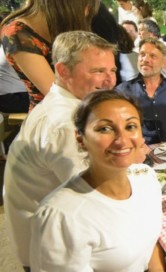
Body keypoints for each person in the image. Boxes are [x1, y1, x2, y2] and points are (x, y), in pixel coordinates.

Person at [3, 31, 117, 269]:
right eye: (98, 71)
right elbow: (99, 199)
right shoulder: (66, 123)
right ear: (64, 71)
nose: (110, 81)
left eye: (113, 71)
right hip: (55, 253)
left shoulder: (63, 104)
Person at [30, 90, 165, 271]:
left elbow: (151, 246)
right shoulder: (61, 217)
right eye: (104, 129)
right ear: (80, 138)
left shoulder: (146, 178)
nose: (121, 140)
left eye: (131, 126)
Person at [1, 0, 100, 111]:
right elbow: (58, 92)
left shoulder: (60, 29)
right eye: (86, 6)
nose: (86, 13)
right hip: (53, 116)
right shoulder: (18, 34)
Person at [116, 37, 166, 144]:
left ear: (164, 63)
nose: (145, 59)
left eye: (153, 56)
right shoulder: (123, 91)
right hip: (140, 152)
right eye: (142, 54)